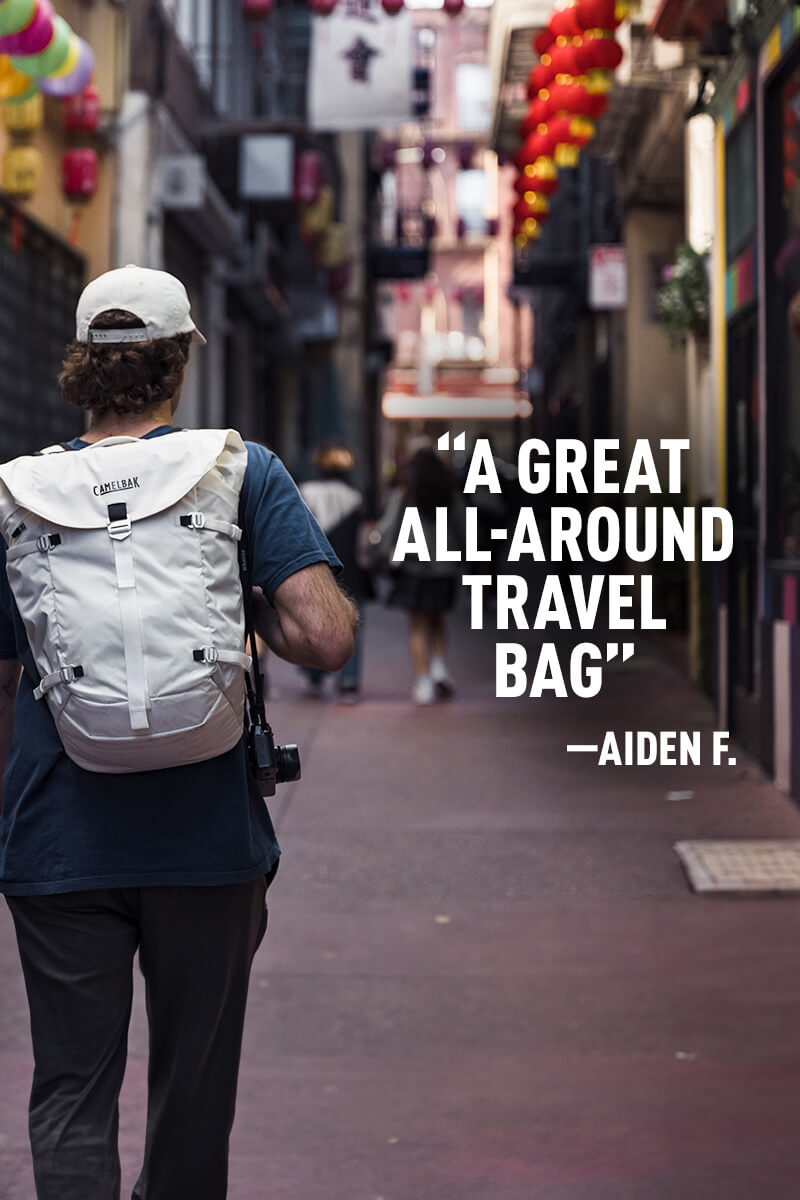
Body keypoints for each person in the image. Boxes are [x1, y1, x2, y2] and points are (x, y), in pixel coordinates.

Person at [0, 265, 357, 1200]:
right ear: (179, 365)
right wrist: (249, 615)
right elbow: (325, 635)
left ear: (81, 365)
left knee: (71, 1093)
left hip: (58, 842)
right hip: (206, 843)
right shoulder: (238, 471)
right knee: (192, 1100)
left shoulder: (18, 495)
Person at [378, 443, 461, 706]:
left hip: (415, 567)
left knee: (417, 625)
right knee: (437, 619)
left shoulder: (407, 494)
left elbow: (389, 528)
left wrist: (383, 550)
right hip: (445, 567)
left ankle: (424, 682)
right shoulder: (450, 493)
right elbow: (465, 527)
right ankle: (438, 667)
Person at [298, 441, 374, 702]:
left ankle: (314, 674)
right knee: (353, 625)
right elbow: (364, 539)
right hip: (351, 569)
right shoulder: (356, 495)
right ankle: (349, 681)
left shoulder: (304, 492)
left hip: (314, 568)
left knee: (310, 622)